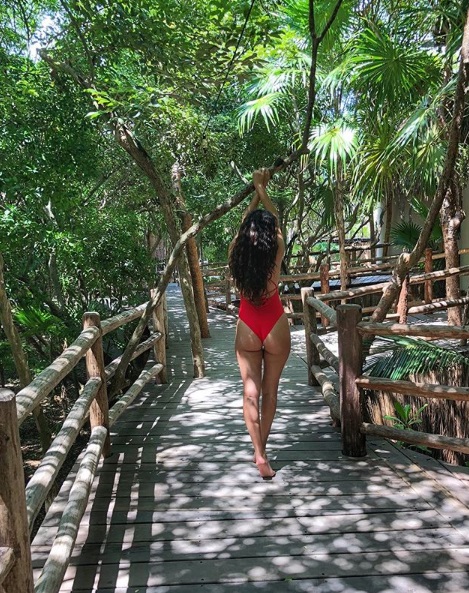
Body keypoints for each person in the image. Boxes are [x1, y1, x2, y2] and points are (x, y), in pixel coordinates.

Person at [228, 168, 291, 479]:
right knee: (270, 392)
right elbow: (275, 219)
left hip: (248, 324)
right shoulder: (276, 248)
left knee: (250, 393)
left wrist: (254, 191)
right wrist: (262, 189)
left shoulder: (236, 253)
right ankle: (261, 451)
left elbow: (244, 226)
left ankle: (260, 453)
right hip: (275, 321)